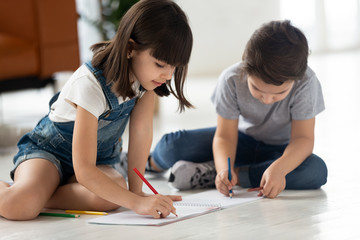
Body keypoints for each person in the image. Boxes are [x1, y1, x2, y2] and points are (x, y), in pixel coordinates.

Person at [0, 0, 193, 220]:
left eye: (174, 67)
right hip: (49, 154)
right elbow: (83, 169)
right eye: (160, 64)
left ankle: (42, 193)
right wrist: (136, 203)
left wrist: (136, 194)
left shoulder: (148, 84)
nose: (168, 75)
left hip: (95, 162)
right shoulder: (90, 83)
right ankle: (28, 192)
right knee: (19, 207)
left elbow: (141, 133)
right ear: (130, 49)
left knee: (114, 195)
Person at [147, 20, 327, 199]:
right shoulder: (231, 79)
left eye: (279, 93)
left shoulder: (306, 82)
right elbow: (225, 136)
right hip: (241, 140)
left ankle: (223, 175)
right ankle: (146, 163)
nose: (266, 100)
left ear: (296, 79)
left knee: (315, 171)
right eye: (257, 89)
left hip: (281, 151)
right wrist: (224, 167)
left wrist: (279, 169)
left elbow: (302, 139)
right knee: (171, 146)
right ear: (245, 66)